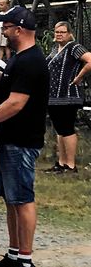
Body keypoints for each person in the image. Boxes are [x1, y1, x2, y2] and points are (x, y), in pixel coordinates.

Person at [0, 6, 49, 267]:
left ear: (20, 30)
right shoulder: (17, 60)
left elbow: (15, 102)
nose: (3, 31)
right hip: (9, 139)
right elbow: (4, 89)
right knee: (11, 200)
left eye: (7, 27)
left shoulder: (31, 61)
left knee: (22, 199)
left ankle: (25, 260)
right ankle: (13, 254)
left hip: (21, 141)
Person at [45, 21, 91, 173]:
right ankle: (61, 162)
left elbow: (90, 59)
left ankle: (71, 165)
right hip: (53, 96)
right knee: (59, 129)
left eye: (62, 32)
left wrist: (79, 77)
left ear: (69, 33)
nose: (59, 34)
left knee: (67, 128)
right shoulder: (54, 49)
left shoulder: (74, 47)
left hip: (68, 95)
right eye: (57, 32)